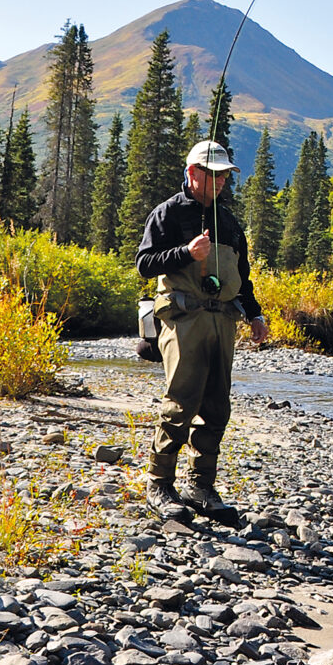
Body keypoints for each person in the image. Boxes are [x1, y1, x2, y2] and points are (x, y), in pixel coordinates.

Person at [136, 140, 270, 521]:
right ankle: (159, 485)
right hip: (183, 321)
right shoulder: (167, 214)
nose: (222, 181)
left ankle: (201, 486)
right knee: (181, 402)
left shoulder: (229, 222)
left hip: (223, 321)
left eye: (226, 175)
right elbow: (144, 263)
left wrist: (255, 315)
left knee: (216, 406)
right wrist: (185, 254)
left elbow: (242, 278)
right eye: (214, 174)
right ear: (192, 173)